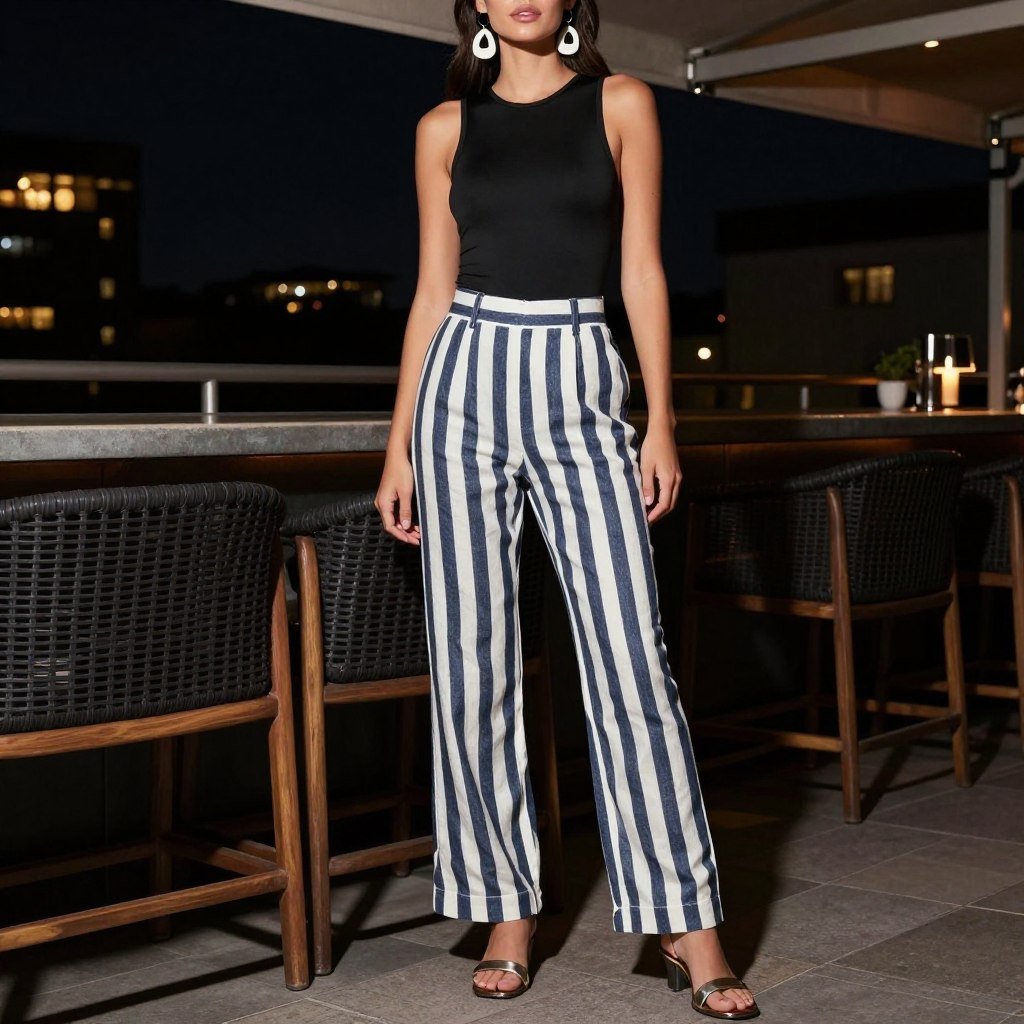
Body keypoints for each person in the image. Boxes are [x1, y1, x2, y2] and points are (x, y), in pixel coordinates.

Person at [376, 1, 758, 1019]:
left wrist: (660, 418)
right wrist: (398, 443)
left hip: (580, 372)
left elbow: (641, 268)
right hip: (462, 377)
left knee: (631, 656)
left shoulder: (621, 102)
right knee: (473, 660)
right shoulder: (443, 127)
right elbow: (431, 291)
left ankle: (687, 920)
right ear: (476, 4)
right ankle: (505, 910)